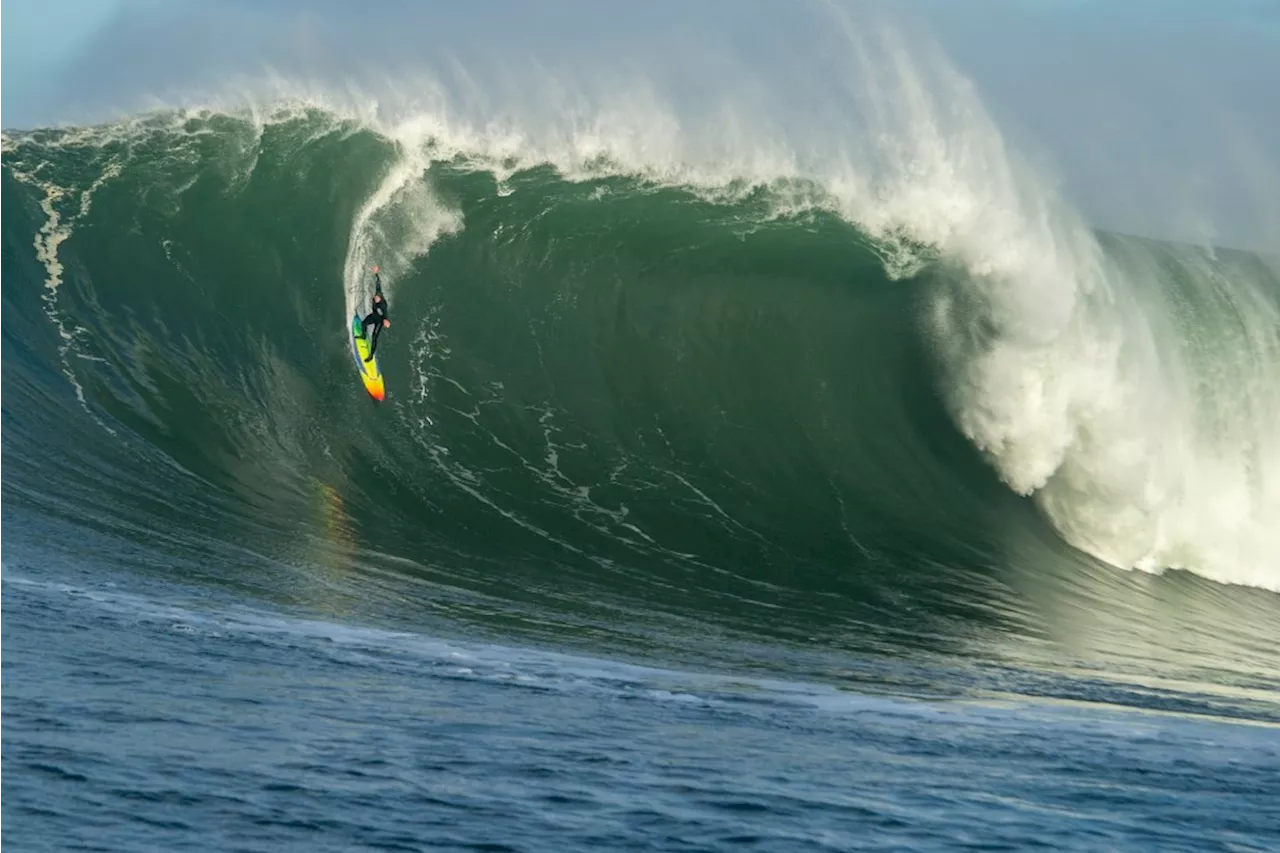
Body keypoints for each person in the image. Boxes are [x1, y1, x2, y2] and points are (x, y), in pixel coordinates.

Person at [360, 265, 390, 362]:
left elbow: (385, 317)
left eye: (377, 299)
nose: (376, 299)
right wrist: (376, 273)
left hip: (380, 321)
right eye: (375, 298)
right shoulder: (378, 292)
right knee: (363, 323)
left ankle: (371, 356)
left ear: (380, 299)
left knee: (374, 337)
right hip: (374, 316)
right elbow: (378, 283)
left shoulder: (383, 306)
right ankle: (363, 336)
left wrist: (386, 322)